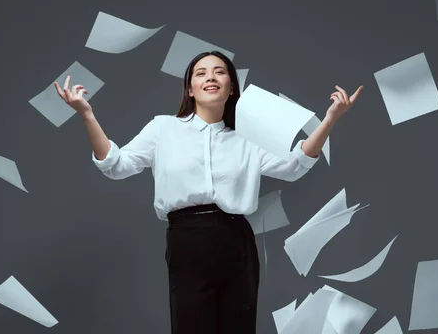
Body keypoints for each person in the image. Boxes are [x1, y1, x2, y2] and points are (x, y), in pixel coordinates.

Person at [54, 51, 363, 334]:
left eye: (219, 72)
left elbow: (294, 166)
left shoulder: (247, 138)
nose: (211, 77)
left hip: (235, 239)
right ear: (190, 89)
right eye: (201, 73)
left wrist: (331, 119)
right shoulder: (163, 128)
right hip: (186, 239)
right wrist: (86, 115)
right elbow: (116, 165)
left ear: (231, 88)